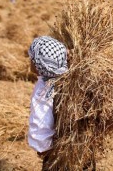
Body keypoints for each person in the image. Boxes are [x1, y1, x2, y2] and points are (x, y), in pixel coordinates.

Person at [27, 36, 68, 170]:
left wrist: (42, 149)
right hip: (80, 149)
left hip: (57, 156)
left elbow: (40, 123)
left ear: (40, 65)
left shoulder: (44, 91)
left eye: (32, 59)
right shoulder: (69, 80)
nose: (30, 61)